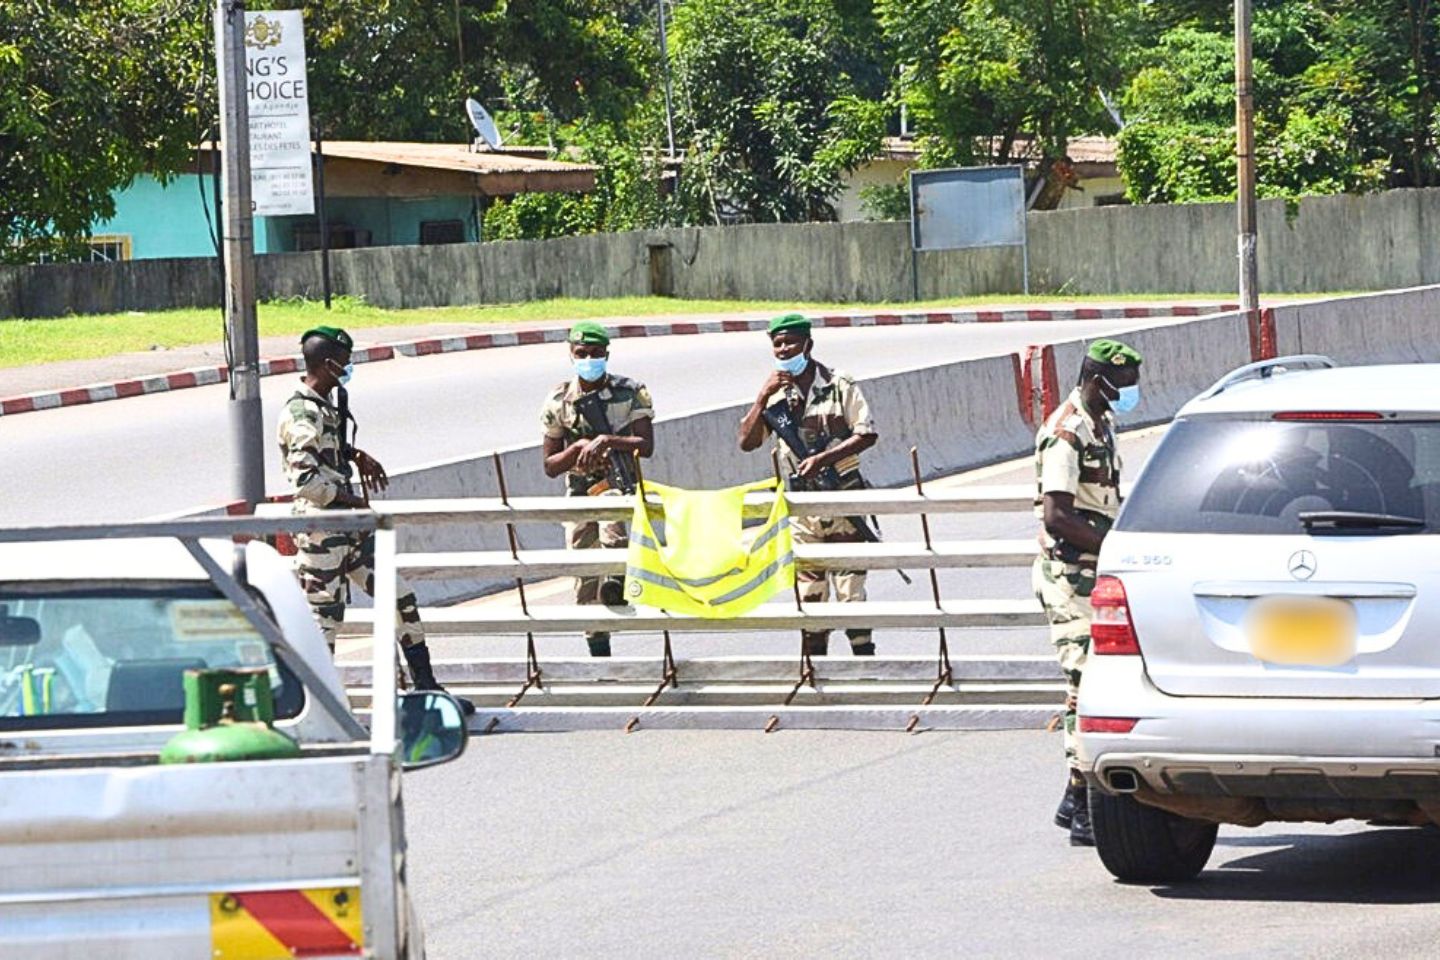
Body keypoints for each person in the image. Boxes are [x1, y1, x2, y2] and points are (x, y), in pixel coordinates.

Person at [276, 326, 472, 714]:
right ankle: (315, 707)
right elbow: (305, 480)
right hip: (322, 532)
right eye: (344, 363)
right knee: (323, 620)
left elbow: (324, 452)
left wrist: (352, 454)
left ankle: (426, 688)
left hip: (349, 531)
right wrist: (352, 500)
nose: (348, 369)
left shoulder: (323, 405)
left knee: (400, 599)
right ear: (327, 364)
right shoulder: (301, 411)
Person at [1033, 338, 1142, 846]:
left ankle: (1074, 797)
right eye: (1122, 385)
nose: (1129, 393)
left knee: (1090, 682)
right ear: (1097, 381)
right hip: (1069, 577)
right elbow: (1058, 515)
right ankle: (1084, 806)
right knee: (1084, 684)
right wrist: (1113, 548)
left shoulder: (1102, 422)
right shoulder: (1068, 432)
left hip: (1093, 574)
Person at [738, 313, 879, 656]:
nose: (784, 349)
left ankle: (865, 671)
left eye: (791, 342)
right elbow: (746, 441)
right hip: (802, 507)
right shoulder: (775, 396)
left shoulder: (837, 383)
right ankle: (816, 676)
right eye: (778, 344)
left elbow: (866, 433)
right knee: (809, 596)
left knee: (851, 595)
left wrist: (824, 460)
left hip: (842, 497)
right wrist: (761, 398)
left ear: (808, 345)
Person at [540, 321, 655, 657]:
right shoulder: (559, 400)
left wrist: (608, 441)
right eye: (582, 353)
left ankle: (619, 583)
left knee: (614, 532)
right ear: (571, 354)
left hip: (617, 485)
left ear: (607, 353)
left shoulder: (630, 391)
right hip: (579, 494)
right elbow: (549, 465)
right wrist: (577, 450)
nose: (589, 359)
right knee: (585, 580)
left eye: (595, 353)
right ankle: (600, 657)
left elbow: (645, 445)